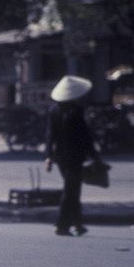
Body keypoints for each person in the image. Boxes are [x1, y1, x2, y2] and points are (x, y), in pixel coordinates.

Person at [45, 75, 104, 236]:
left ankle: (78, 224)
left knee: (72, 189)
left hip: (61, 157)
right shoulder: (76, 111)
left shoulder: (53, 110)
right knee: (71, 191)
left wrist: (49, 156)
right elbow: (85, 136)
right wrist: (95, 155)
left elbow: (50, 136)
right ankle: (62, 225)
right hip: (75, 156)